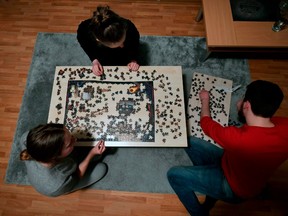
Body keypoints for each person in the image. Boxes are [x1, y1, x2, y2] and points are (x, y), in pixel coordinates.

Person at [167, 80, 288, 216]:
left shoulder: (236, 138)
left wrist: (205, 100)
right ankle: (208, 186)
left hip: (233, 188)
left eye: (243, 98)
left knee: (174, 175)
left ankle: (199, 213)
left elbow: (206, 123)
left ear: (246, 105)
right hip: (234, 164)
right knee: (188, 141)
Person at [19, 123, 108, 197]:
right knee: (101, 169)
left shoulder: (26, 137)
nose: (75, 139)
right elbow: (77, 175)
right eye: (69, 144)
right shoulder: (57, 185)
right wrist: (91, 154)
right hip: (62, 185)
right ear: (55, 155)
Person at [77, 5, 140, 76]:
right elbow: (86, 45)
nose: (122, 46)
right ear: (98, 40)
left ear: (124, 29)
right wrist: (94, 60)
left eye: (123, 41)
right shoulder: (84, 30)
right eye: (118, 45)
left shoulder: (129, 27)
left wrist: (133, 59)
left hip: (125, 55)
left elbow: (135, 44)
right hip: (103, 54)